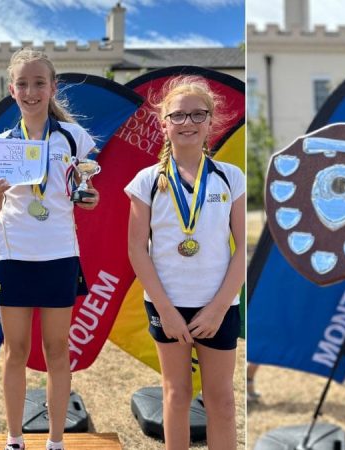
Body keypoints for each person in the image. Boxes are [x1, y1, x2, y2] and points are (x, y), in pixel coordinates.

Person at [0, 48, 99, 450]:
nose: (31, 91)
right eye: (23, 84)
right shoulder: (2, 145)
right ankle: (14, 438)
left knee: (57, 349)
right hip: (13, 257)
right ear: (12, 91)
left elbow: (85, 189)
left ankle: (57, 441)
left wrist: (89, 197)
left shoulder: (73, 137)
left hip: (60, 255)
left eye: (38, 83)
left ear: (52, 87)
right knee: (15, 351)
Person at [126, 75, 245, 450]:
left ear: (212, 121)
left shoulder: (231, 177)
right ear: (163, 124)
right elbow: (136, 250)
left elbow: (243, 249)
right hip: (168, 305)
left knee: (222, 403)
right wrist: (167, 310)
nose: (188, 123)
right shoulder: (146, 181)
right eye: (178, 116)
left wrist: (217, 308)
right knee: (176, 396)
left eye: (198, 115)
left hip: (219, 305)